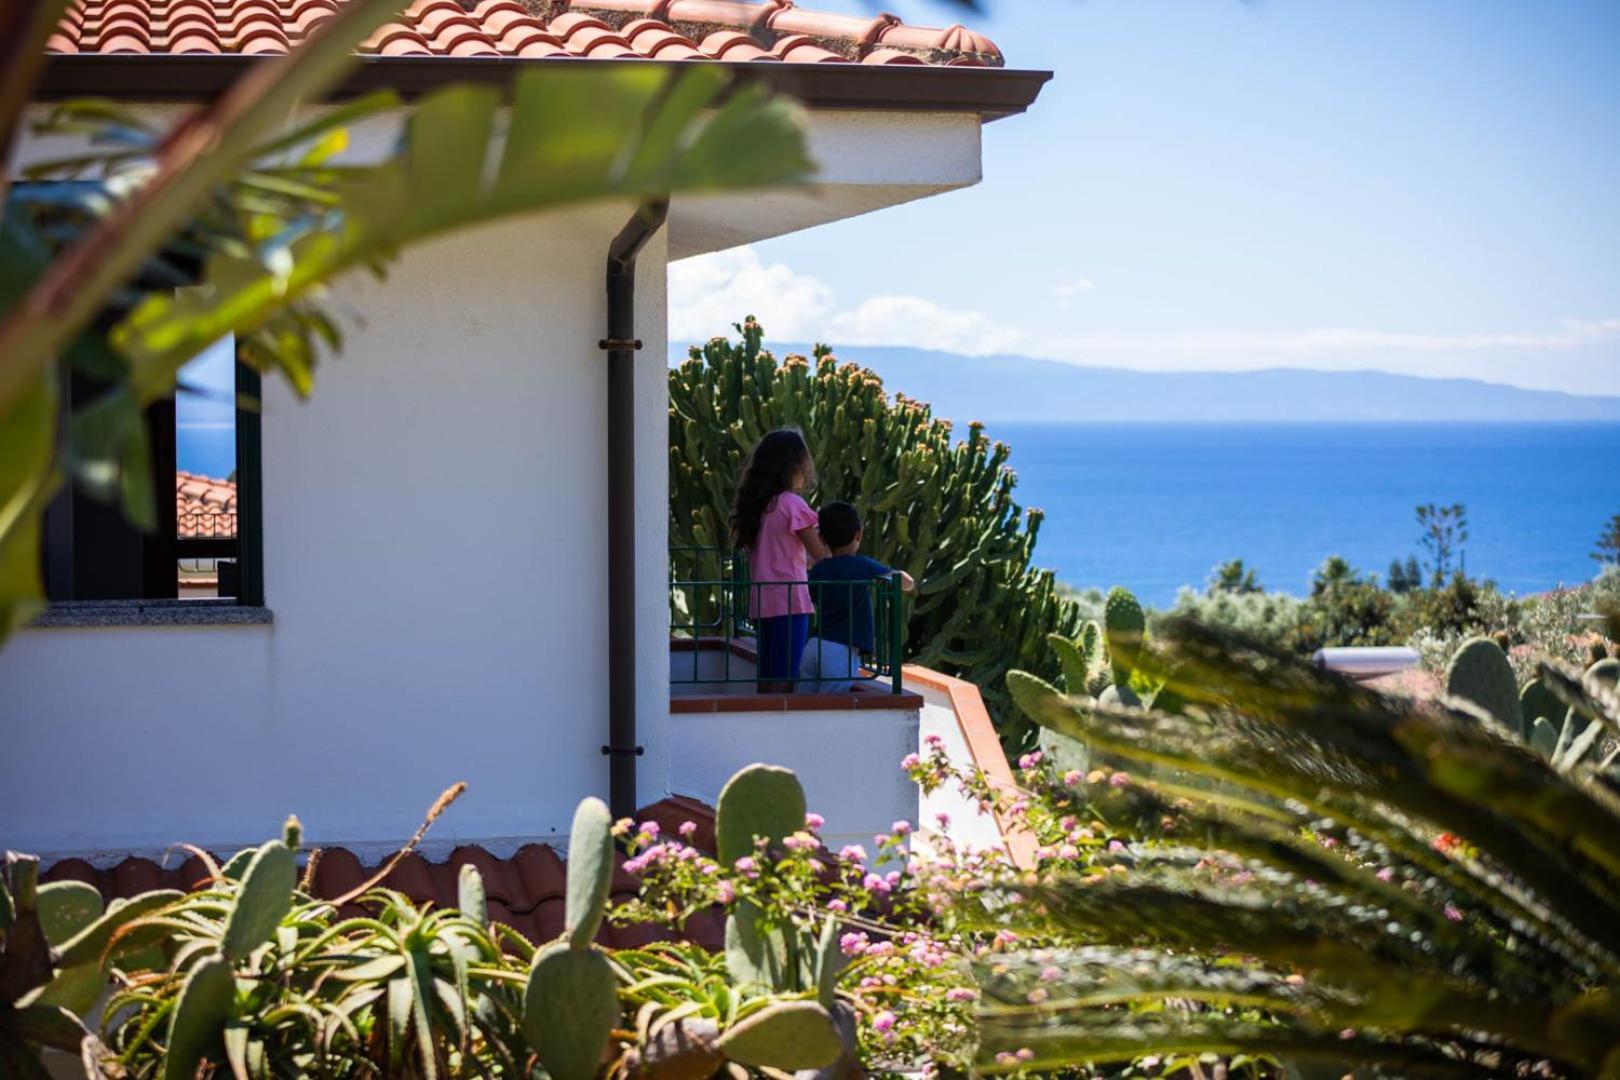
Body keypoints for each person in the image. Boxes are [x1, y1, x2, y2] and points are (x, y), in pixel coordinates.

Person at [730, 429, 830, 692]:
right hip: (791, 602)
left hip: (764, 602)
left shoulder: (762, 506)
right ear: (792, 465)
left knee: (768, 675)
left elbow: (782, 557)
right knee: (785, 678)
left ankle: (763, 727)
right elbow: (821, 557)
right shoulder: (792, 504)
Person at [802, 501, 915, 691]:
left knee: (803, 705)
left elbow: (811, 599)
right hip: (841, 650)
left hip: (813, 646)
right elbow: (905, 581)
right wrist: (908, 582)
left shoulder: (819, 569)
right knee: (833, 710)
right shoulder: (862, 565)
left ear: (821, 538)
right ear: (859, 534)